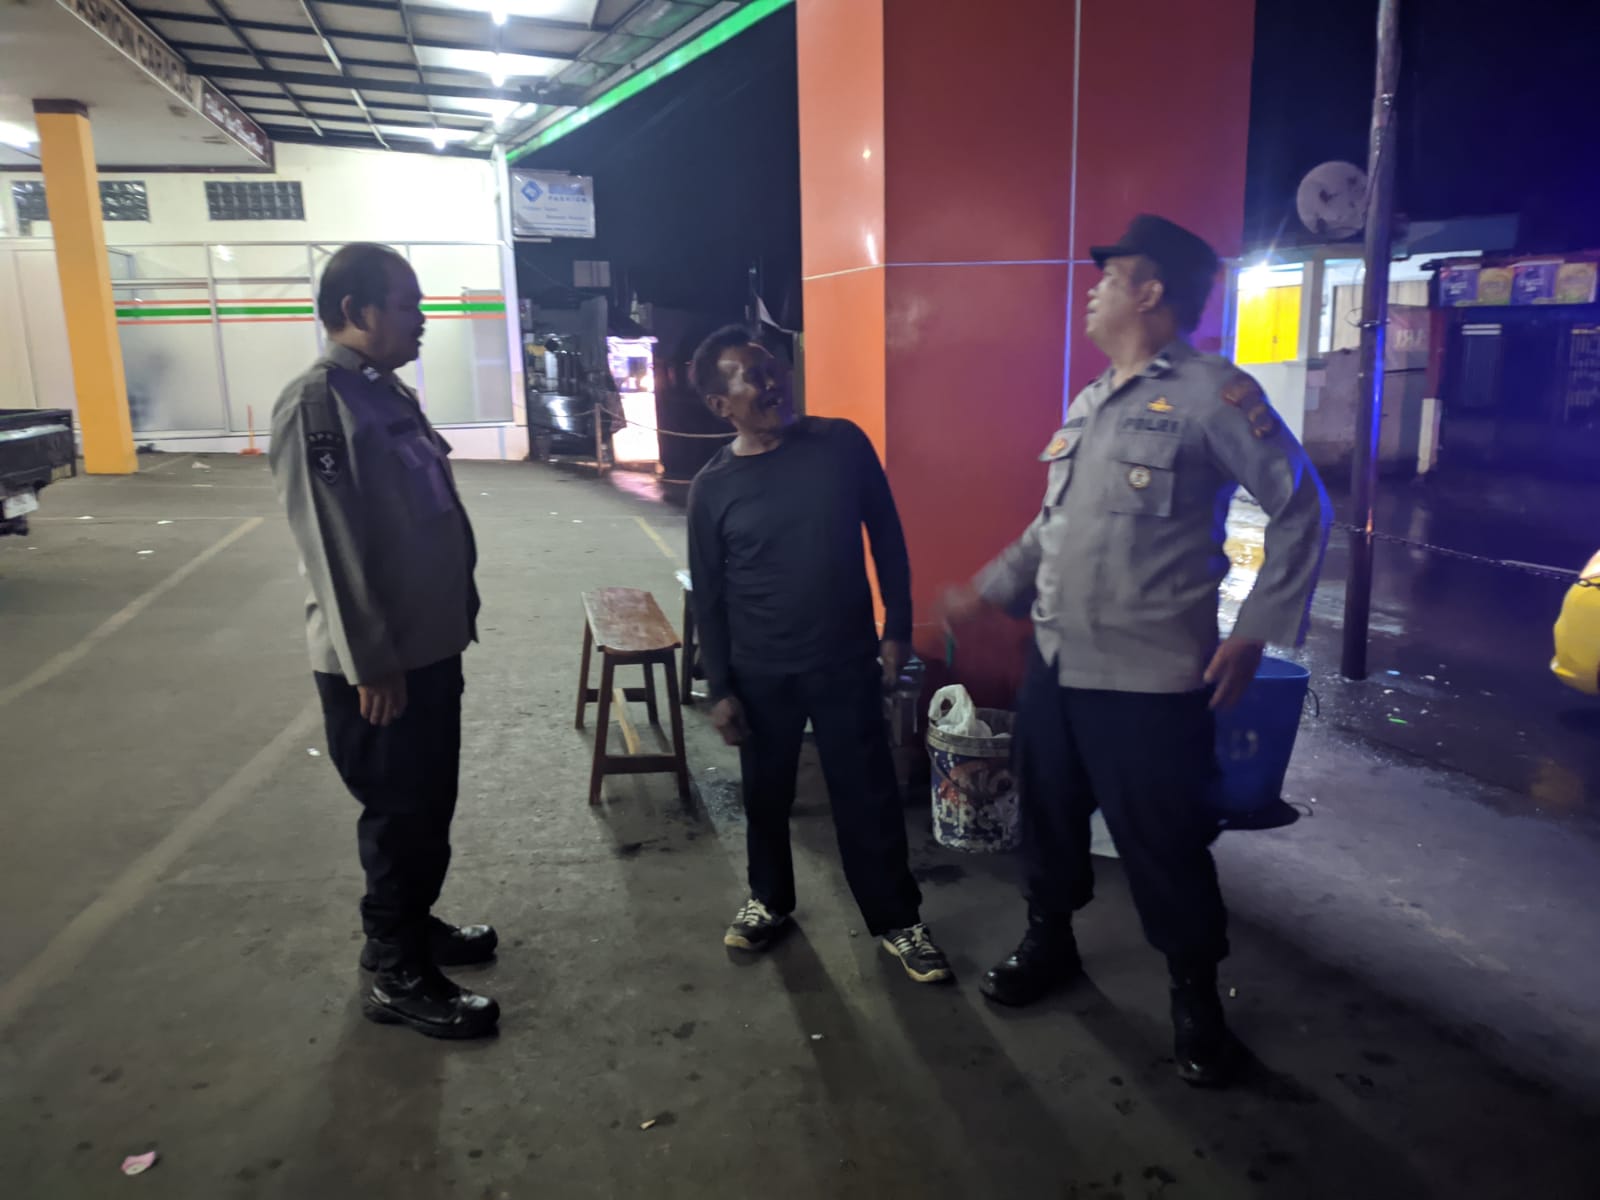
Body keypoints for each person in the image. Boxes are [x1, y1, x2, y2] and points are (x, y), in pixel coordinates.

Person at [940, 215, 1331, 1085]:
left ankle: (1196, 1000)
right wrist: (988, 588)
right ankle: (1050, 943)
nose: (1091, 291)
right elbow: (1051, 530)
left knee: (1165, 844)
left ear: (1151, 292)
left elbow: (1302, 505)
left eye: (1108, 278)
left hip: (1150, 681)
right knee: (1047, 819)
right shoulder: (1090, 402)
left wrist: (1256, 627)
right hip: (1057, 667)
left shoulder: (1213, 395)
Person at [269, 242, 499, 1040]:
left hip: (427, 647)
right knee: (400, 814)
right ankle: (396, 973)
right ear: (356, 311)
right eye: (407, 305)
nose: (422, 319)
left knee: (429, 802)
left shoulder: (380, 392)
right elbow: (333, 547)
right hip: (382, 666)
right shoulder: (319, 404)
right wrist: (372, 663)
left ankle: (413, 928)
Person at [687, 326, 952, 984]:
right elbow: (709, 596)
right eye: (751, 376)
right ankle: (769, 900)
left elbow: (887, 535)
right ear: (721, 404)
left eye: (772, 367)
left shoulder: (841, 445)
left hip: (844, 662)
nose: (772, 382)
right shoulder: (712, 488)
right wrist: (720, 688)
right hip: (759, 672)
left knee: (867, 797)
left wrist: (896, 628)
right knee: (765, 796)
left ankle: (897, 920)